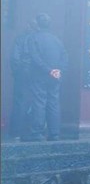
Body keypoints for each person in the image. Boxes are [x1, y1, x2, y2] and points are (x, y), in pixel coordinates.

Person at [25, 13, 68, 141]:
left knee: (39, 101)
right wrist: (58, 70)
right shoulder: (56, 40)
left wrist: (48, 70)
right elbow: (65, 56)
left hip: (39, 75)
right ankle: (54, 133)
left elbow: (35, 57)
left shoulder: (33, 38)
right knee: (53, 102)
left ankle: (37, 133)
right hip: (55, 76)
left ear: (37, 24)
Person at [8, 20, 37, 139]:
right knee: (36, 101)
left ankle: (16, 132)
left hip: (22, 72)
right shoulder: (38, 40)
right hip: (36, 74)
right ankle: (32, 130)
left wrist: (17, 72)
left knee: (19, 101)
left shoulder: (21, 39)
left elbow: (15, 58)